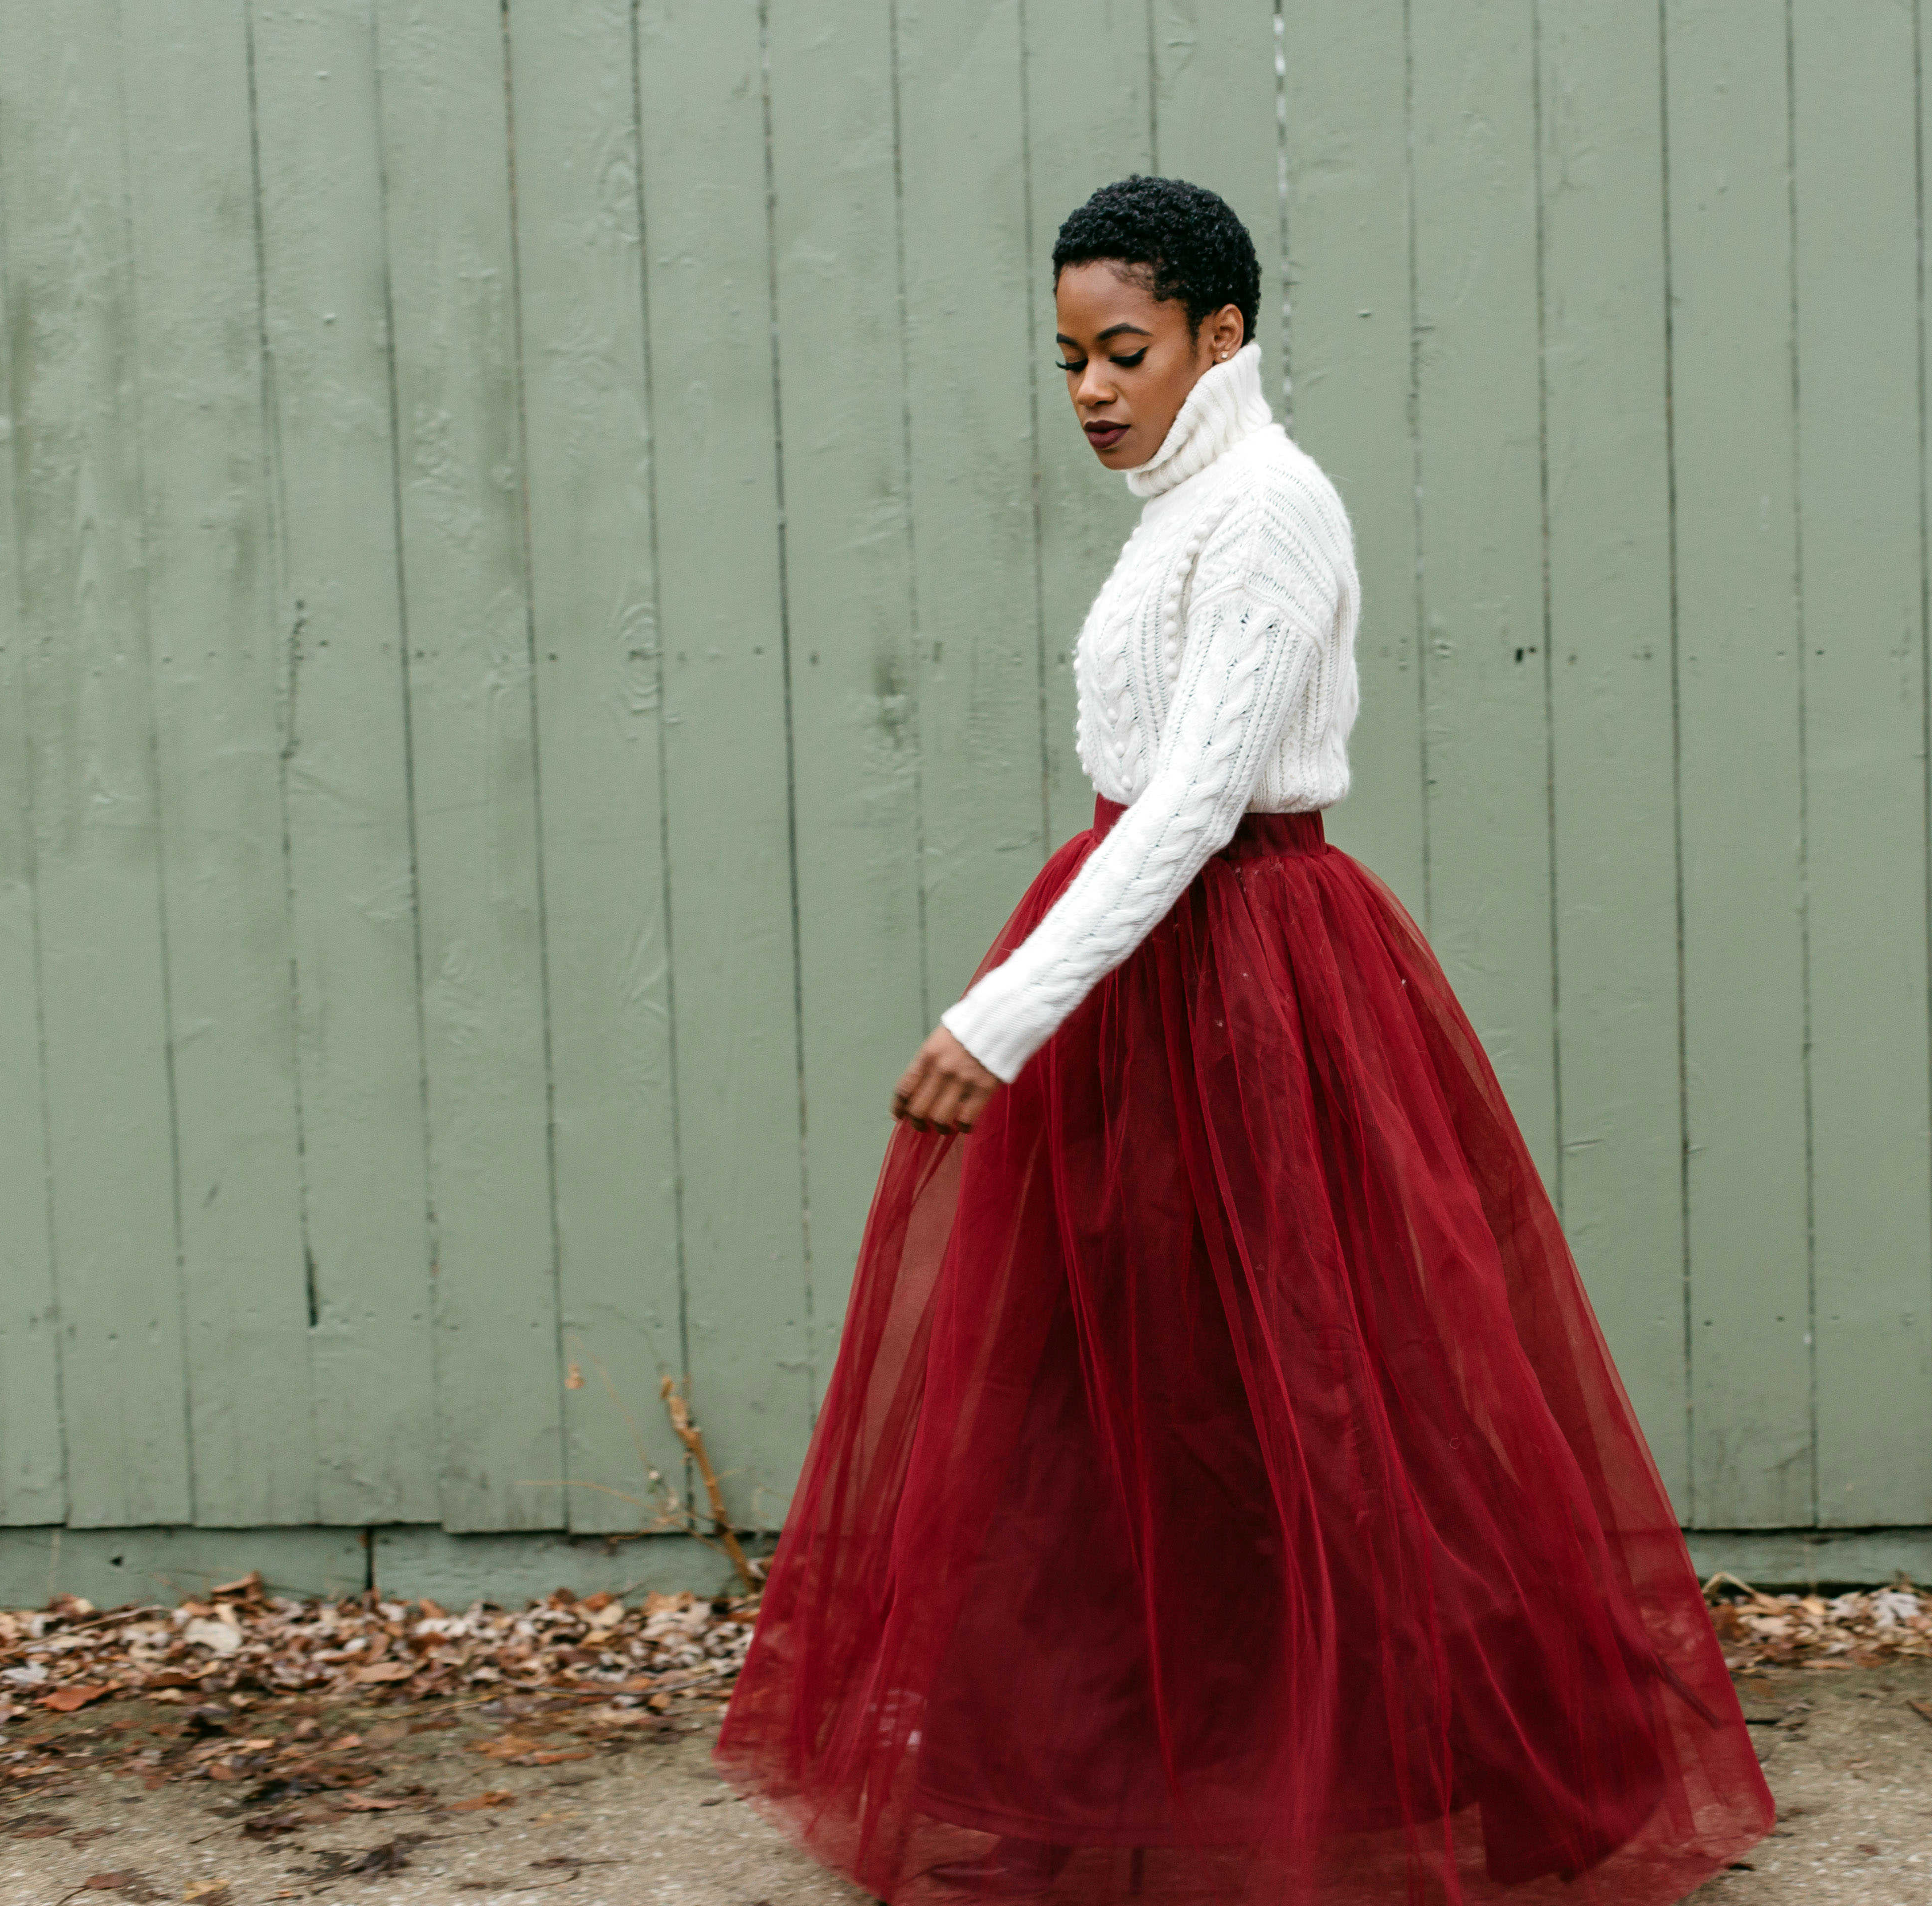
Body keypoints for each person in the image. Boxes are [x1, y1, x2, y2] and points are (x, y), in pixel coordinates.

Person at [713, 175, 1773, 1906]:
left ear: (1222, 335)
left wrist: (999, 1020)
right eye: (1066, 362)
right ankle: (1117, 1773)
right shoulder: (1180, 512)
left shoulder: (1271, 507)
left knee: (1331, 1399)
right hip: (1151, 987)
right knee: (1124, 1396)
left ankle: (1496, 1770)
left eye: (1122, 352)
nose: (1090, 394)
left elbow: (1199, 800)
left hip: (1256, 984)